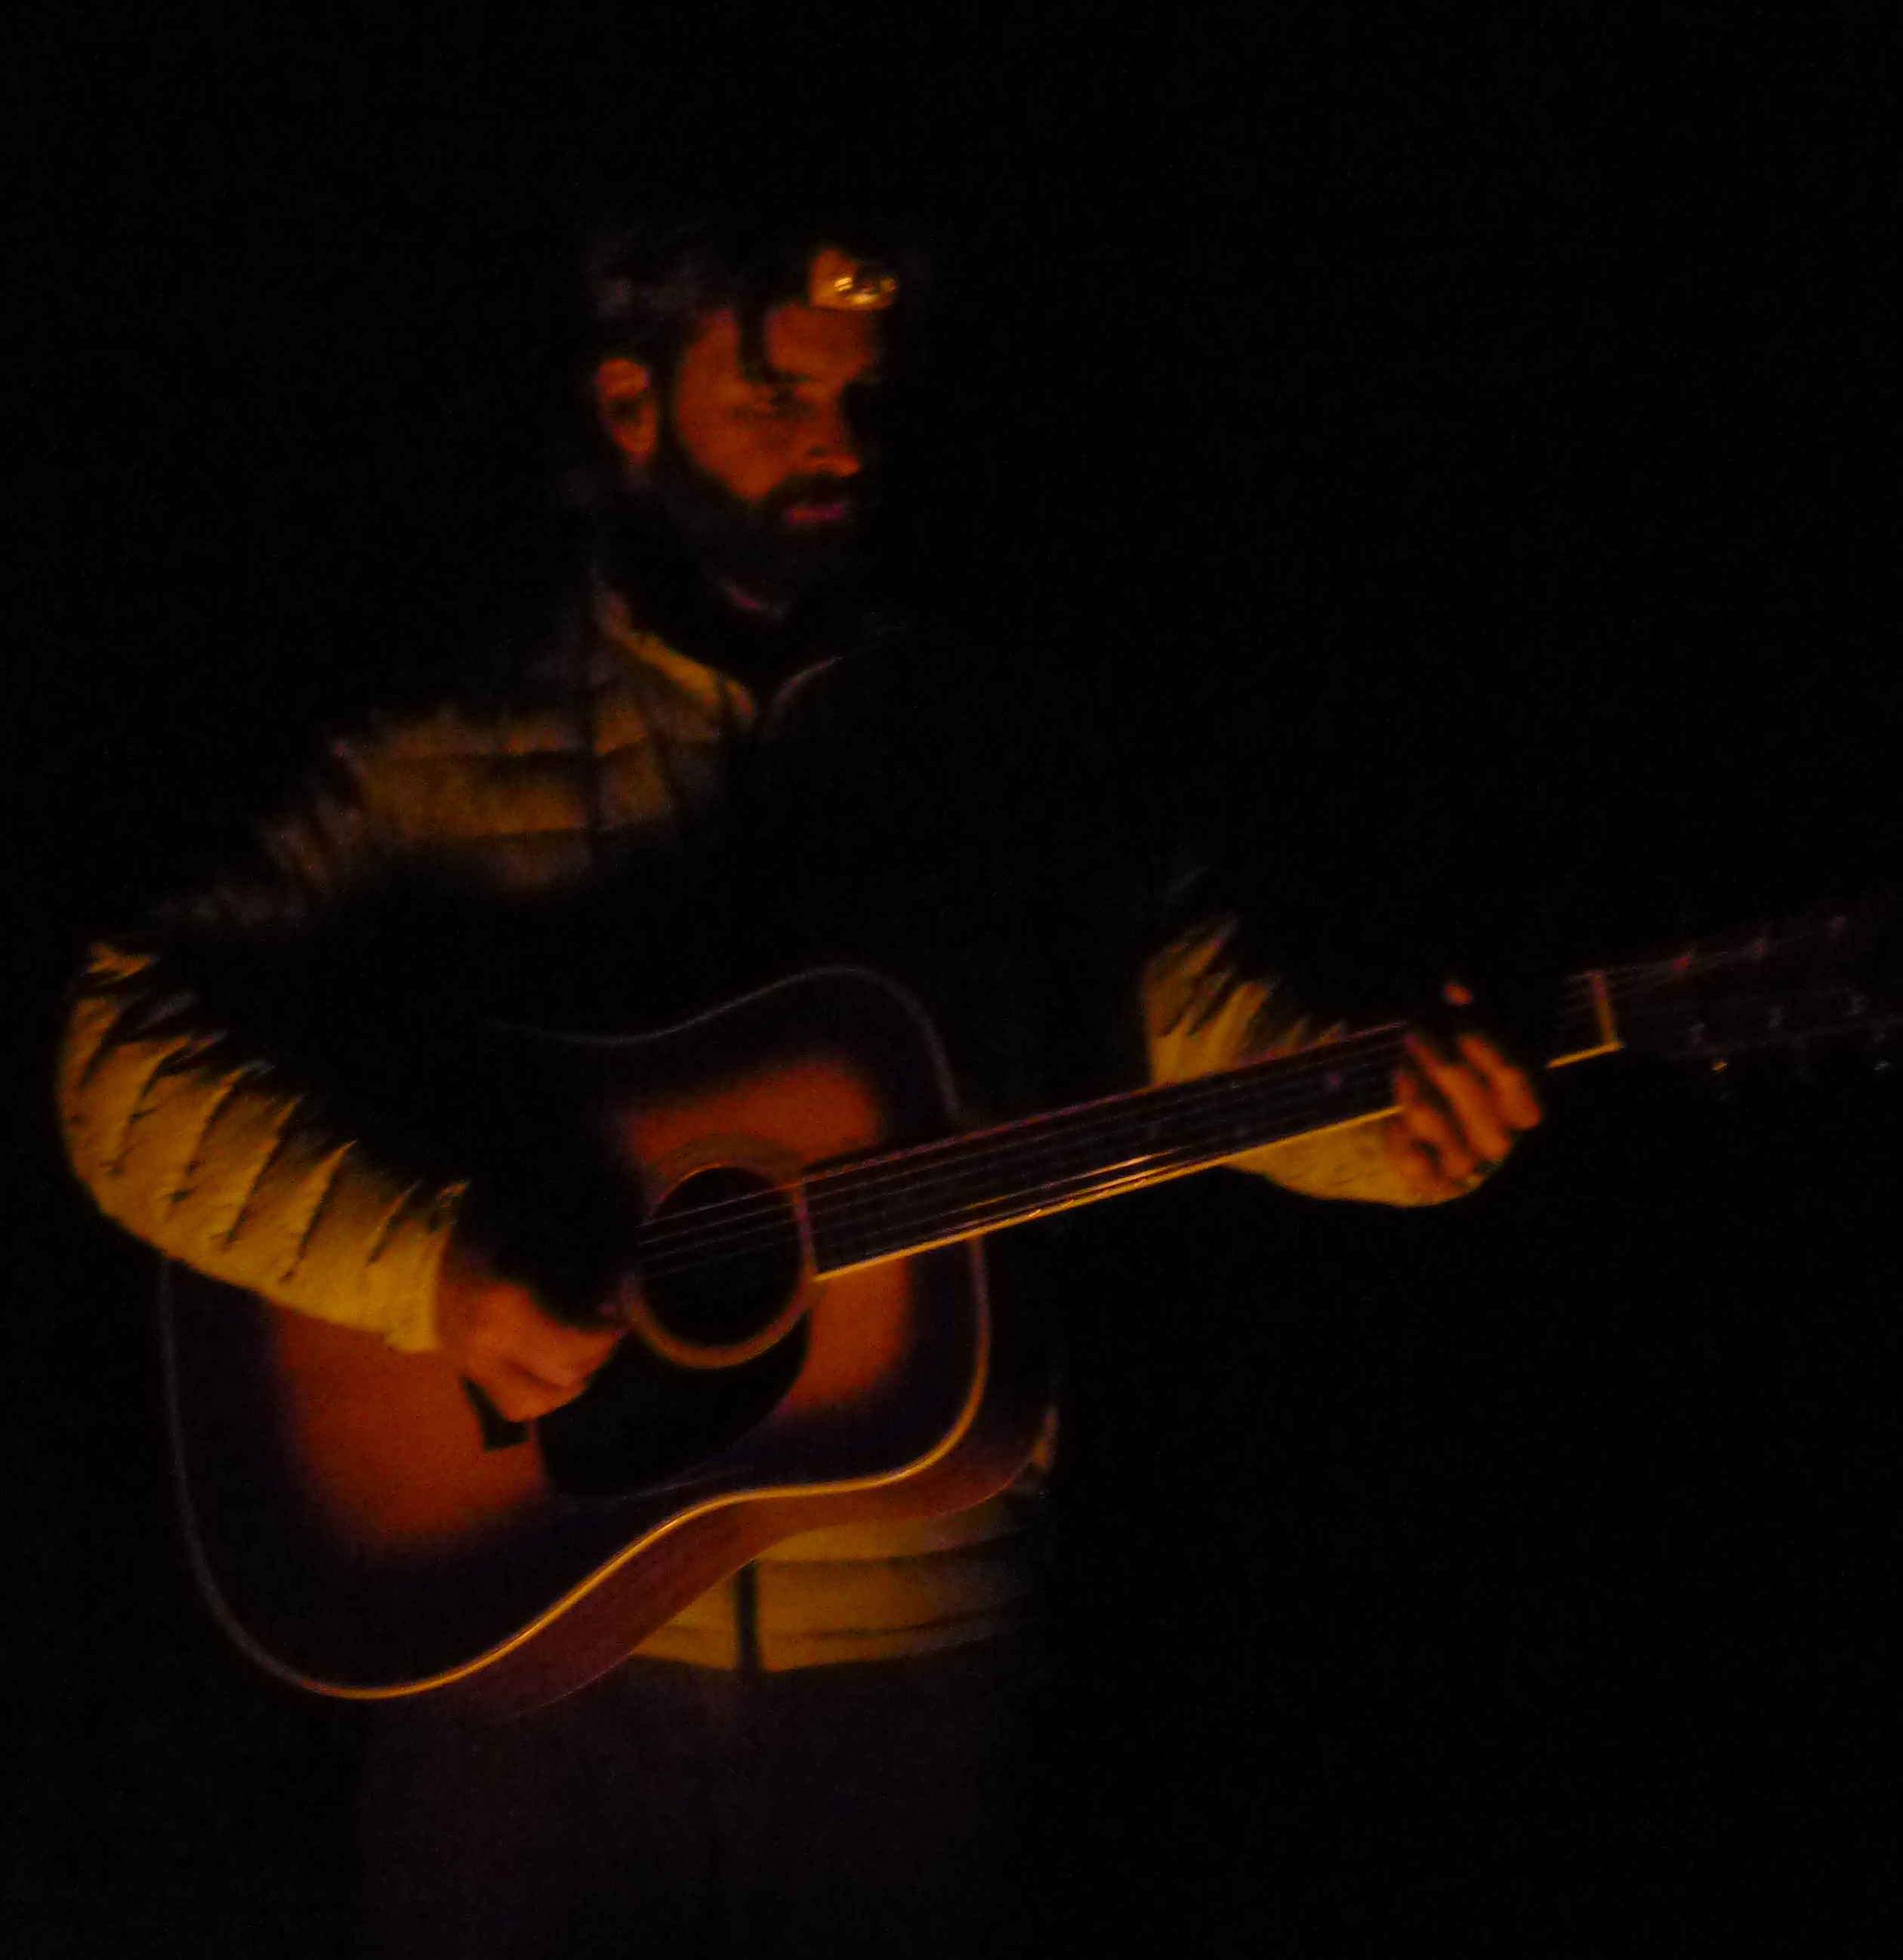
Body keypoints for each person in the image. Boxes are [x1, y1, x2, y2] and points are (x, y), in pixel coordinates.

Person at [54, 204, 1541, 1958]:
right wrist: (428, 1262)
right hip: (516, 1650)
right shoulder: (439, 748)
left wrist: (1403, 1121)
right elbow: (120, 1056)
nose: (838, 441)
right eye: (776, 396)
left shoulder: (999, 752)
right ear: (629, 406)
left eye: (862, 398)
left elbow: (1205, 1025)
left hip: (910, 1653)